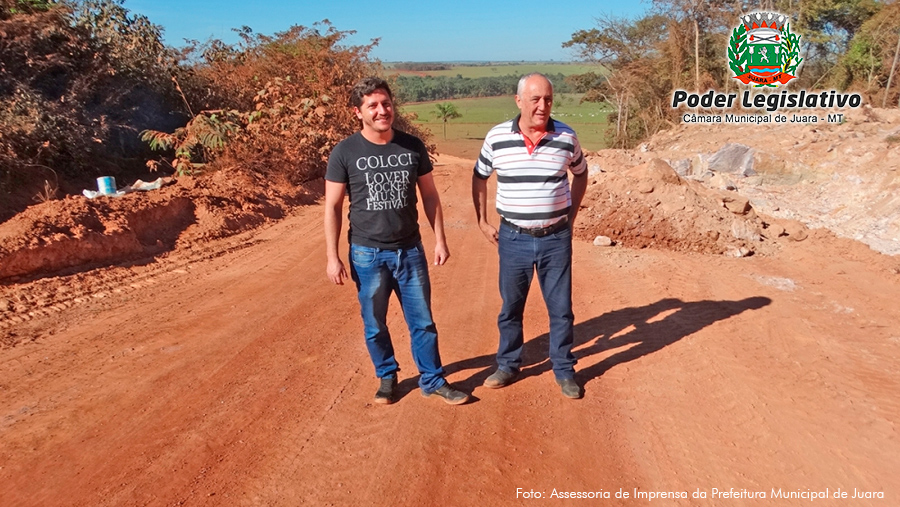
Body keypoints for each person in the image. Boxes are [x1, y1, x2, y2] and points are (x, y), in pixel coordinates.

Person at [325, 77, 469, 406]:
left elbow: (430, 196)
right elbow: (332, 206)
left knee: (423, 322)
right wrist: (332, 257)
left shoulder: (411, 146)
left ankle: (432, 379)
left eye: (386, 103)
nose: (381, 111)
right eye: (372, 106)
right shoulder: (345, 152)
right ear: (357, 112)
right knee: (374, 323)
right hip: (367, 254)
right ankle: (387, 377)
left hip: (410, 252)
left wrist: (440, 240)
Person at [471, 73, 588, 399]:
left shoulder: (566, 137)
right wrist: (481, 220)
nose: (542, 106)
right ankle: (508, 365)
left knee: (561, 309)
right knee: (511, 306)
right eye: (535, 99)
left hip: (555, 238)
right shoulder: (497, 138)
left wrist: (571, 215)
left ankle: (564, 370)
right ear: (519, 100)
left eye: (548, 99)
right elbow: (479, 176)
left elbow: (581, 173)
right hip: (514, 239)